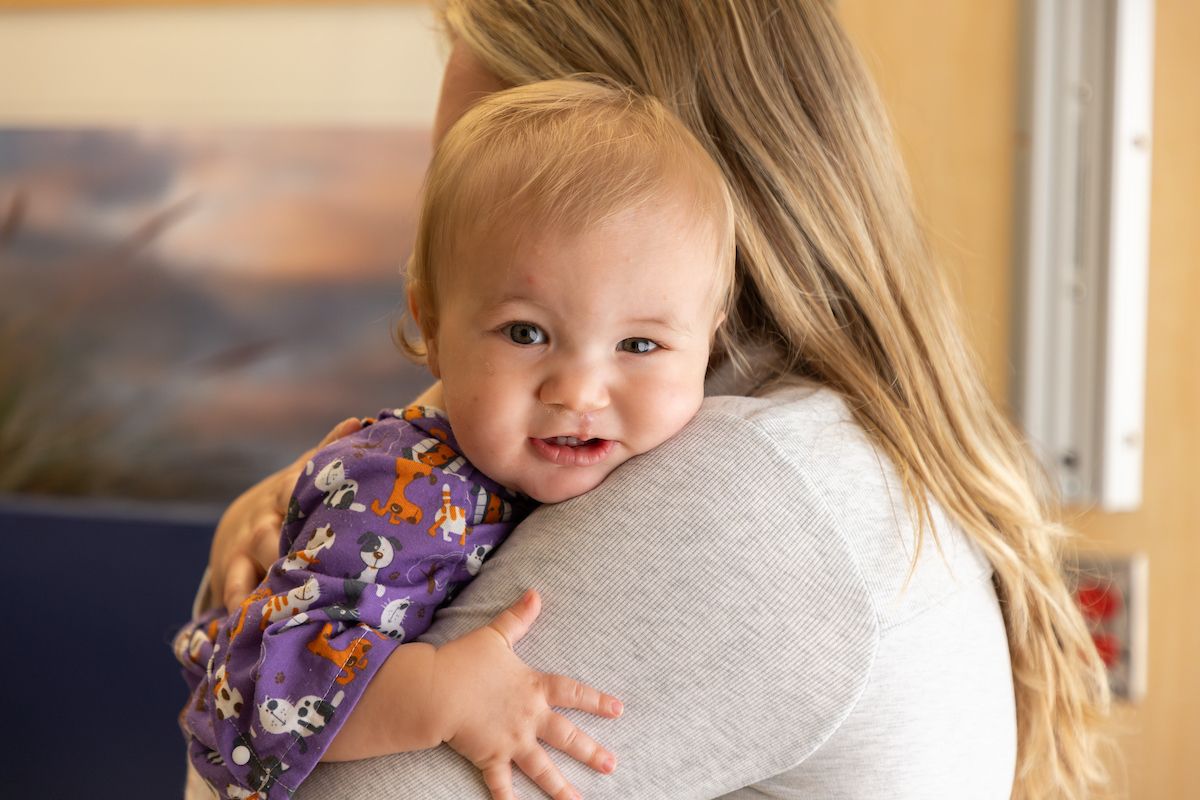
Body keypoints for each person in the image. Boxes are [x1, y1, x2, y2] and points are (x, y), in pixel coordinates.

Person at [197, 1, 1114, 798]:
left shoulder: (751, 487)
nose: (579, 390)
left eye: (471, 176)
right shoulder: (811, 449)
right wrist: (313, 493)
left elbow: (272, 765)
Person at [177, 78, 735, 800]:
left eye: (640, 343)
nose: (579, 393)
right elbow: (253, 702)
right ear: (433, 329)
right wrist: (445, 693)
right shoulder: (402, 489)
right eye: (527, 333)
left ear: (711, 346)